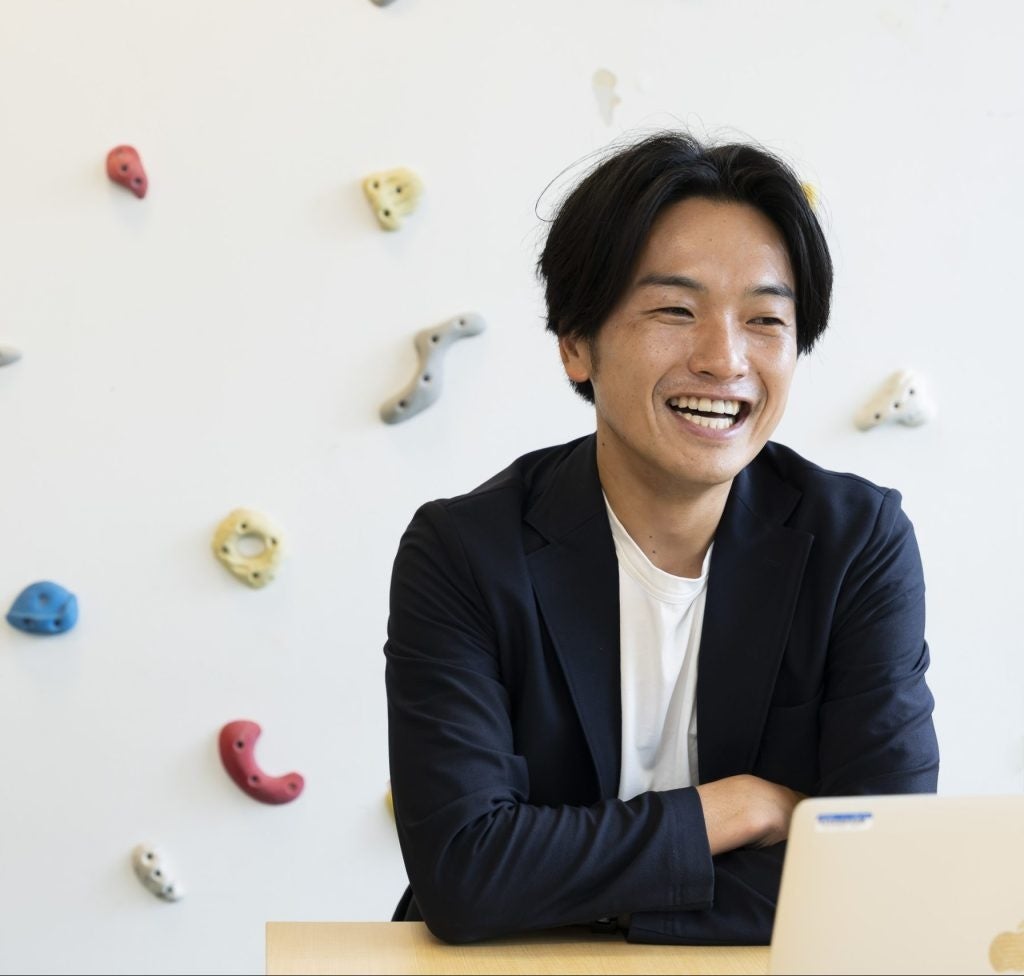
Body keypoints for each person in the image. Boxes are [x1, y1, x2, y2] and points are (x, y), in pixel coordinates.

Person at [383, 132, 940, 946]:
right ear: (577, 343)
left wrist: (572, 890)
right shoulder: (464, 552)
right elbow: (465, 873)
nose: (724, 359)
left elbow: (881, 870)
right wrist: (731, 809)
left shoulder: (857, 544)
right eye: (676, 311)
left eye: (764, 319)